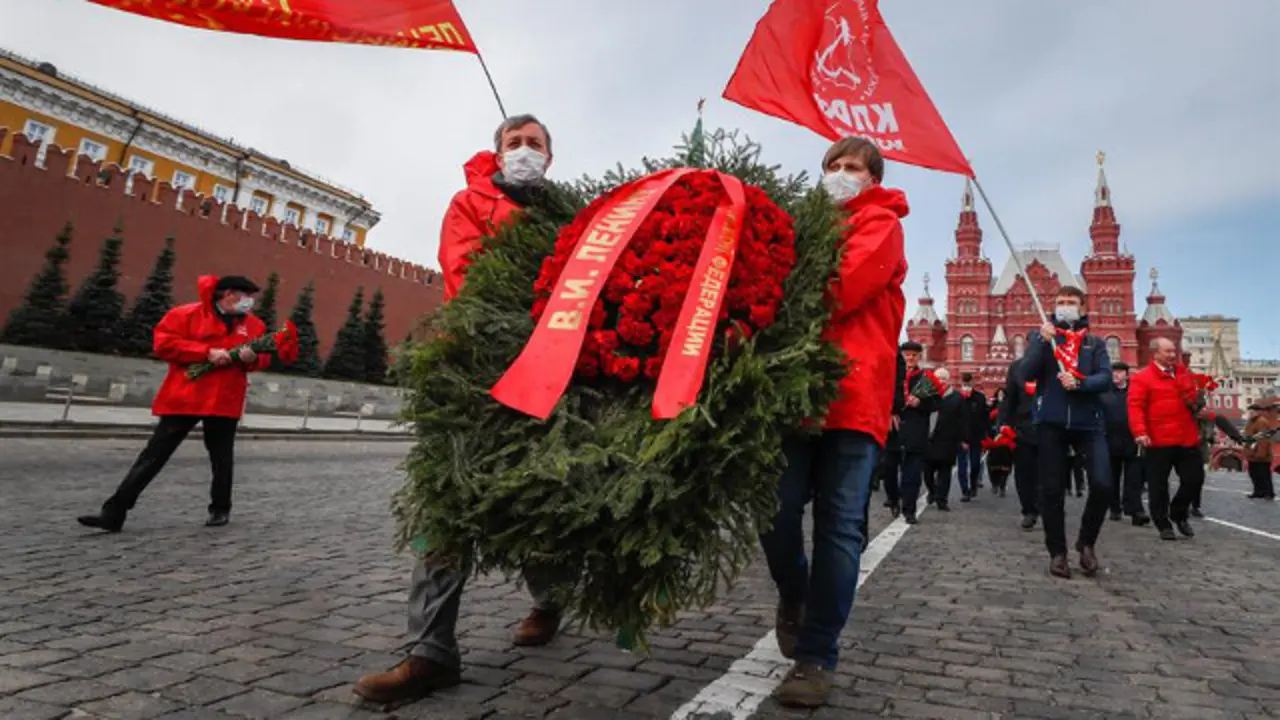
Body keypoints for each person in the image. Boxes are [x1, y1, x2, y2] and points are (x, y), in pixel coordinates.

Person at [355, 115, 571, 705]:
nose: (524, 152)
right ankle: (429, 652)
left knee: (537, 500)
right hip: (472, 371)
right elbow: (469, 273)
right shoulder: (470, 202)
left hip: (550, 376)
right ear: (496, 151)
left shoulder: (571, 217)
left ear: (551, 157)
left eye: (535, 145)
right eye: (514, 143)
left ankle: (549, 601)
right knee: (445, 504)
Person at [759, 136, 908, 709]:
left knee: (840, 527)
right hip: (793, 399)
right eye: (834, 166)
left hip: (852, 398)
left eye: (854, 168)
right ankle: (794, 594)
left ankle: (816, 655)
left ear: (873, 179)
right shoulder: (800, 227)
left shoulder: (881, 225)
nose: (843, 174)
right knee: (772, 513)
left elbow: (838, 290)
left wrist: (765, 297)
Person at [77, 275, 296, 532]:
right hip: (186, 395)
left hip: (224, 399)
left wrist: (250, 359)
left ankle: (220, 509)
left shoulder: (254, 326)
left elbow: (261, 362)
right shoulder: (186, 314)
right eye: (245, 296)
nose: (250, 301)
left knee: (222, 459)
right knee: (153, 456)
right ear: (226, 295)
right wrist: (205, 353)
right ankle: (114, 513)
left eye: (251, 297)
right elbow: (165, 344)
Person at [1024, 287, 1113, 579]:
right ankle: (1057, 553)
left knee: (1102, 484)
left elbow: (1105, 377)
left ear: (1083, 308)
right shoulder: (1045, 339)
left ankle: (1086, 542)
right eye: (1060, 302)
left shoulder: (1094, 343)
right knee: (1051, 490)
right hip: (1052, 422)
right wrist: (1040, 342)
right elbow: (1025, 373)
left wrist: (1080, 382)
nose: (1065, 307)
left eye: (1071, 303)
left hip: (1089, 423)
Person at [1128, 337, 1210, 541]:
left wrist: (1199, 403)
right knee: (1158, 486)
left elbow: (1193, 402)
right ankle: (1163, 523)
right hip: (1158, 439)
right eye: (1168, 352)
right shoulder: (1143, 378)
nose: (1173, 355)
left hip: (1186, 437)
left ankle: (1179, 512)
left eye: (1174, 351)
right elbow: (1135, 406)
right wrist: (1140, 432)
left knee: (1195, 479)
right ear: (1154, 353)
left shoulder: (1184, 374)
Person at [895, 342, 940, 525]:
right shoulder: (893, 376)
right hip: (894, 432)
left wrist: (920, 403)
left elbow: (936, 403)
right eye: (907, 354)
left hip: (916, 432)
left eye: (914, 354)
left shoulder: (925, 378)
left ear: (919, 357)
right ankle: (892, 498)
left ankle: (909, 509)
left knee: (912, 475)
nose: (910, 358)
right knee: (889, 471)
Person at [1101, 362, 1149, 525]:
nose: (1116, 375)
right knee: (1111, 477)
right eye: (1113, 372)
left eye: (1120, 372)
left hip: (1132, 439)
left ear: (1126, 375)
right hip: (1109, 440)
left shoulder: (1135, 392)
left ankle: (1135, 510)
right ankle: (1114, 507)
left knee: (1134, 477)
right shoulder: (1103, 392)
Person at [997, 356, 1040, 529]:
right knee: (1024, 472)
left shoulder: (1057, 363)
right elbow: (1009, 398)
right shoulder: (1017, 367)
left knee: (1048, 472)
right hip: (1024, 428)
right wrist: (1003, 422)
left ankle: (1043, 506)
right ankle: (1028, 509)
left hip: (1050, 427)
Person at [926, 368, 969, 510]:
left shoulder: (957, 398)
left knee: (945, 472)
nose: (941, 381)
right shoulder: (928, 394)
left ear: (948, 380)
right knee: (927, 472)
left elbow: (963, 420)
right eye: (938, 378)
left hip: (948, 440)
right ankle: (932, 491)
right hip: (930, 439)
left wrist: (963, 439)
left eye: (944, 378)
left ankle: (942, 499)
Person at [877, 351, 908, 517]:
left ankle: (906, 500)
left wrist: (894, 408)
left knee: (907, 467)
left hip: (901, 423)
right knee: (889, 466)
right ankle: (893, 498)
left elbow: (896, 382)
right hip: (886, 422)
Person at [956, 372, 988, 500]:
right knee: (962, 467)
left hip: (975, 436)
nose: (967, 385)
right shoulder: (957, 397)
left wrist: (985, 435)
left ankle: (973, 485)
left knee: (975, 464)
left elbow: (985, 417)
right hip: (961, 437)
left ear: (973, 383)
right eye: (964, 383)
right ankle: (965, 491)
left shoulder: (979, 398)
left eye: (968, 383)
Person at [1243, 402, 1277, 499]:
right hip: (1252, 453)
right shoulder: (1250, 421)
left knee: (1264, 474)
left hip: (1261, 455)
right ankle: (1258, 491)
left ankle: (1268, 493)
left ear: (1258, 412)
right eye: (1249, 411)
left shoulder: (1262, 422)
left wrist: (1260, 453)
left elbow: (1263, 439)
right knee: (1254, 474)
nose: (1250, 413)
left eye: (1252, 411)